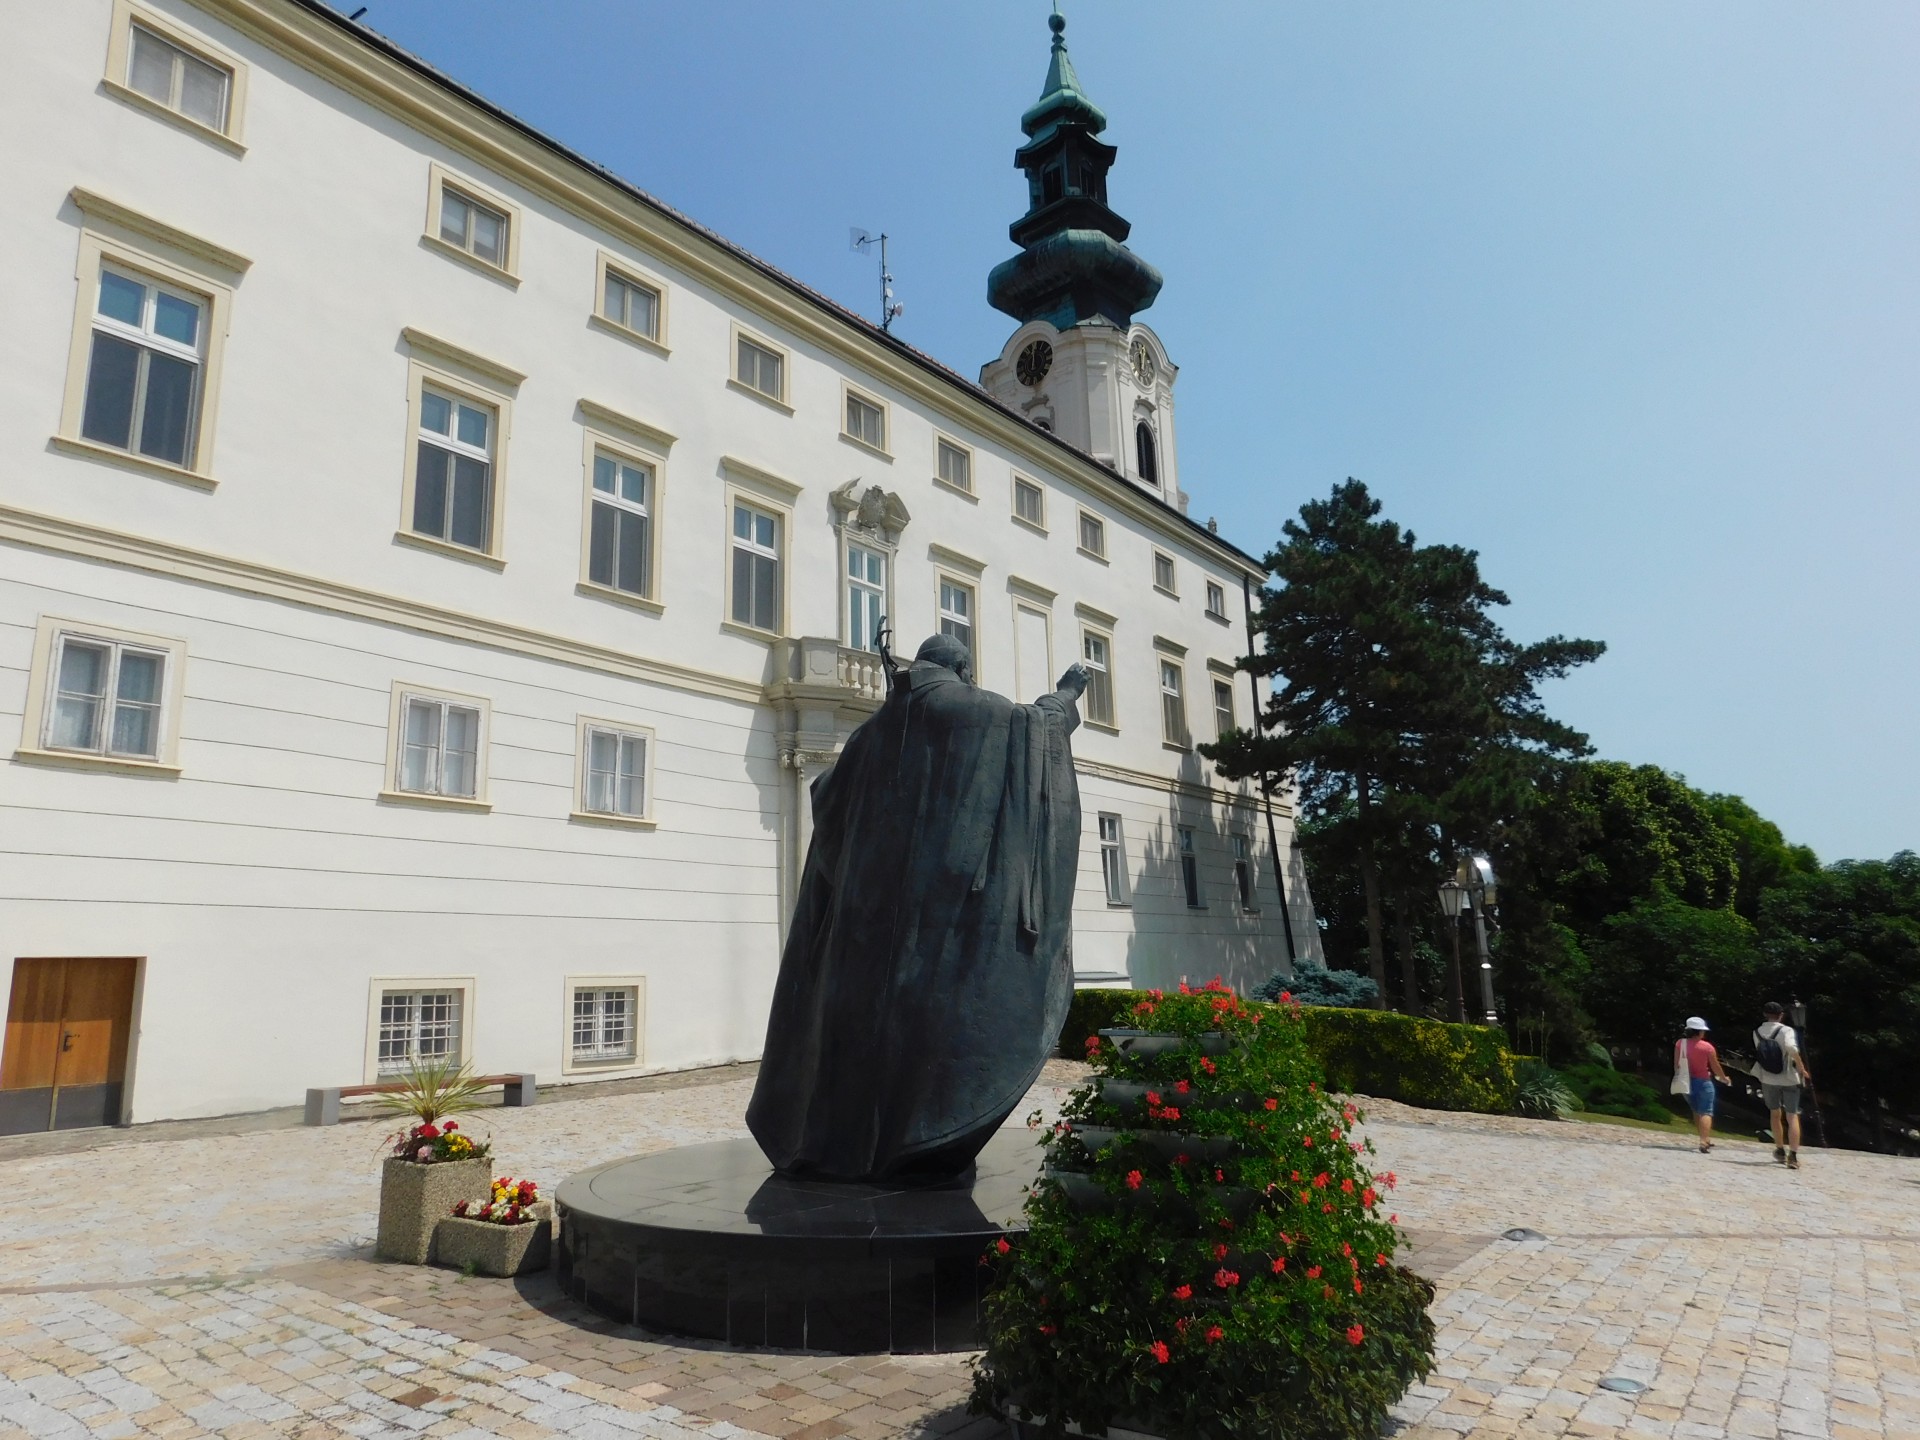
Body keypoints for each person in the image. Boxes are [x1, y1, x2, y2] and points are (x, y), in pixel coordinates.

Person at [747, 635, 1089, 1181]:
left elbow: (826, 806)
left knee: (864, 1034)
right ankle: (914, 1141)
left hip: (864, 926)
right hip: (940, 921)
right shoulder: (976, 710)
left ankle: (847, 1149)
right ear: (963, 668)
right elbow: (1037, 730)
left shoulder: (867, 736)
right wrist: (1066, 695)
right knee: (924, 1032)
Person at [1754, 1001, 1813, 1170]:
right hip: (1788, 1077)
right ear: (1781, 1015)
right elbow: (1791, 1048)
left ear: (1765, 1014)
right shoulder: (1786, 1031)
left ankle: (1779, 1149)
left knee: (1774, 1114)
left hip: (1768, 1077)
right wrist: (1801, 1068)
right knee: (1792, 1116)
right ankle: (1793, 1155)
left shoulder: (1757, 1032)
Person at [1675, 1017, 1729, 1153]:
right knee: (1706, 1111)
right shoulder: (1707, 1047)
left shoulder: (1680, 1044)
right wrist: (1724, 1078)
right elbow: (1715, 1066)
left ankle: (1704, 1137)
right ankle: (1704, 1141)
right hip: (1704, 1081)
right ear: (1699, 1031)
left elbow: (1677, 1065)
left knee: (1696, 1110)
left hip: (1686, 1082)